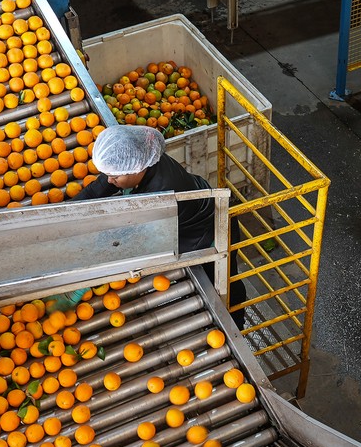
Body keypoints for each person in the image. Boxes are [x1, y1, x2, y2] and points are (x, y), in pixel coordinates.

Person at [78, 125, 247, 326]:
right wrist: (61, 215)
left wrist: (80, 285)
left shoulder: (160, 195)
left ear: (135, 169)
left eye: (115, 176)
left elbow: (123, 240)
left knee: (224, 288)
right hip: (193, 217)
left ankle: (236, 325)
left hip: (212, 235)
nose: (109, 179)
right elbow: (97, 189)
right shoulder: (140, 158)